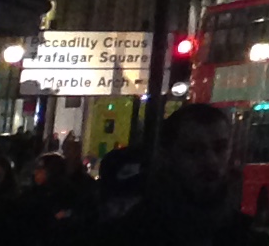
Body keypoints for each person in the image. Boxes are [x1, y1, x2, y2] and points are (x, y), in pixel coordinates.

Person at [105, 105, 260, 246]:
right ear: (167, 155)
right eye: (193, 150)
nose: (211, 161)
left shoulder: (244, 233)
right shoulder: (134, 232)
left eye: (220, 148)